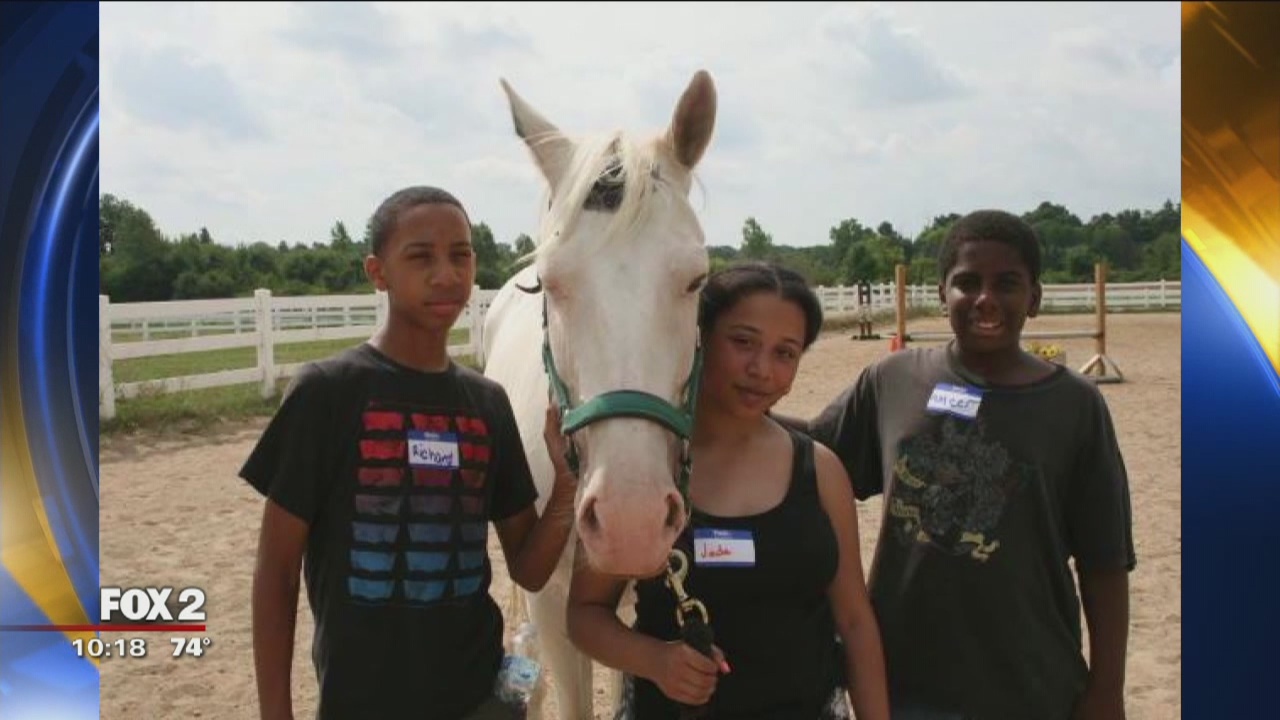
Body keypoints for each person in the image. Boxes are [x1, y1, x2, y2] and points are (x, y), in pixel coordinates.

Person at [241, 186, 578, 720]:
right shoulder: (327, 392)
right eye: (421, 257)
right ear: (378, 272)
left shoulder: (487, 403)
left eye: (461, 255)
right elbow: (276, 572)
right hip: (361, 702)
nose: (446, 274)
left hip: (481, 702)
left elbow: (530, 572)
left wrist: (566, 487)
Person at [782, 209, 1136, 720]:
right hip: (904, 683)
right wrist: (731, 413)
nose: (985, 299)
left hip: (1033, 684)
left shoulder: (1075, 406)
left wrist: (1107, 690)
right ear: (942, 293)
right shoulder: (894, 380)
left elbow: (1105, 562)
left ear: (1034, 298)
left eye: (1006, 283)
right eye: (967, 283)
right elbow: (817, 446)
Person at [566, 261, 892, 720]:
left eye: (785, 353)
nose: (761, 369)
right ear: (698, 339)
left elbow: (855, 622)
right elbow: (584, 614)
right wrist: (654, 661)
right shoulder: (649, 473)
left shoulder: (820, 471)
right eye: (742, 342)